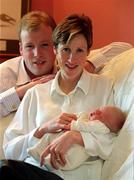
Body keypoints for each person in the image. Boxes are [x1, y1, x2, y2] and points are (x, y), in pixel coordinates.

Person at [0, 13, 115, 180]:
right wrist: (41, 130)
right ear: (56, 49)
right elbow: (10, 150)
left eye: (80, 50)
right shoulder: (36, 93)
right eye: (65, 49)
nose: (71, 59)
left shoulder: (104, 87)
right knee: (4, 168)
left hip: (76, 176)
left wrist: (77, 137)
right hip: (31, 170)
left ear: (89, 51)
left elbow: (114, 140)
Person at [27, 105, 126, 171]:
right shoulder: (35, 91)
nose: (95, 111)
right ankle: (38, 152)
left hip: (72, 159)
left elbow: (85, 126)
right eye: (98, 109)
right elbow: (12, 147)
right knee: (49, 135)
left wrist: (73, 128)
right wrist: (42, 129)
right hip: (28, 164)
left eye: (100, 114)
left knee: (70, 156)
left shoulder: (101, 128)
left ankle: (47, 162)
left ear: (107, 125)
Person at [0, 11, 57, 118]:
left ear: (56, 46)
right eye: (30, 46)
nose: (37, 54)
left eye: (44, 45)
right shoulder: (3, 73)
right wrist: (23, 91)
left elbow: (98, 53)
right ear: (21, 49)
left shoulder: (67, 70)